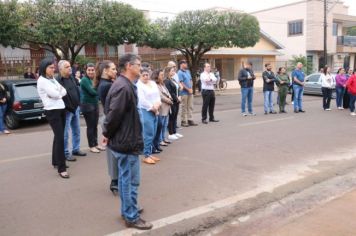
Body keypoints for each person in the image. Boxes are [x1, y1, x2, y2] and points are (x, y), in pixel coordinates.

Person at [102, 53, 153, 230]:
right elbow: (113, 114)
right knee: (130, 181)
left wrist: (108, 133)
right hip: (126, 142)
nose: (141, 68)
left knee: (127, 180)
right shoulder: (123, 87)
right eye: (138, 65)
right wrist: (106, 132)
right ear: (129, 66)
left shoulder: (125, 85)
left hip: (125, 140)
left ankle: (128, 210)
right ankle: (131, 216)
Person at [37, 58, 69, 179]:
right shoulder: (42, 80)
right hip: (52, 111)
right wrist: (57, 93)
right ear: (44, 68)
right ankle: (62, 168)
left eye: (53, 67)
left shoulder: (52, 79)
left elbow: (63, 91)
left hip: (61, 109)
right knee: (61, 138)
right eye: (50, 67)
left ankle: (55, 161)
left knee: (58, 137)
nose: (53, 69)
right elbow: (56, 94)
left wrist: (57, 92)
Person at [95, 60, 118, 195]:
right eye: (113, 69)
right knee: (113, 152)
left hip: (108, 118)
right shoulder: (107, 85)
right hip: (110, 119)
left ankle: (115, 180)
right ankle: (114, 181)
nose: (115, 71)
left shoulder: (107, 84)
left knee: (113, 151)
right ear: (105, 71)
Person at [56, 60, 86, 162]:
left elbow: (76, 90)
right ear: (60, 69)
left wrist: (78, 104)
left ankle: (76, 149)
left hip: (76, 108)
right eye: (67, 67)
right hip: (67, 111)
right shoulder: (58, 80)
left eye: (70, 66)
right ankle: (65, 153)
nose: (70, 68)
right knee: (65, 133)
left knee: (76, 130)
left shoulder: (72, 77)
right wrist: (69, 107)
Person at [137, 68, 161, 165]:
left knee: (154, 132)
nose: (146, 77)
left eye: (147, 75)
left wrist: (157, 104)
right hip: (146, 110)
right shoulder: (139, 85)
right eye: (144, 75)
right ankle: (146, 155)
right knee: (148, 133)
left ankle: (150, 153)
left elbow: (157, 96)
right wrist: (152, 107)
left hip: (155, 109)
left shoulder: (153, 83)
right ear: (140, 76)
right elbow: (142, 100)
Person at [81, 63, 106, 153]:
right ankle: (91, 146)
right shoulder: (84, 80)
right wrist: (99, 89)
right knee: (90, 126)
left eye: (92, 70)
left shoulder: (94, 79)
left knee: (95, 126)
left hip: (95, 104)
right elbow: (92, 92)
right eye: (89, 70)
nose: (91, 72)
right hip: (87, 105)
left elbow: (95, 90)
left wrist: (97, 89)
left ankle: (95, 144)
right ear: (86, 71)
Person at [155, 69, 173, 148]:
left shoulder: (163, 84)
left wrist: (170, 97)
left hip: (167, 106)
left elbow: (167, 92)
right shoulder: (156, 85)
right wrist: (168, 100)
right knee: (161, 124)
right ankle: (160, 140)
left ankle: (164, 138)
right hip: (162, 106)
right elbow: (160, 96)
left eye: (163, 75)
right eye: (161, 75)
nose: (163, 76)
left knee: (165, 124)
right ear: (157, 76)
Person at [164, 66, 183, 140]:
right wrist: (176, 98)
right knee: (171, 117)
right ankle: (170, 133)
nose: (173, 72)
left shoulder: (173, 79)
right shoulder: (166, 81)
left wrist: (180, 96)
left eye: (174, 71)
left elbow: (178, 88)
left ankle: (175, 131)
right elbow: (170, 92)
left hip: (177, 101)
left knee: (175, 116)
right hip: (172, 101)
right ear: (168, 72)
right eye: (172, 71)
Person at [178, 60, 198, 127]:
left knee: (190, 106)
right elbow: (181, 83)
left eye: (186, 63)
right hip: (184, 93)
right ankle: (184, 121)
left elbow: (190, 80)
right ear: (181, 64)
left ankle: (190, 119)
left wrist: (191, 88)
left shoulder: (188, 71)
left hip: (190, 92)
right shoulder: (179, 72)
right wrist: (188, 89)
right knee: (184, 107)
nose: (186, 64)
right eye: (185, 63)